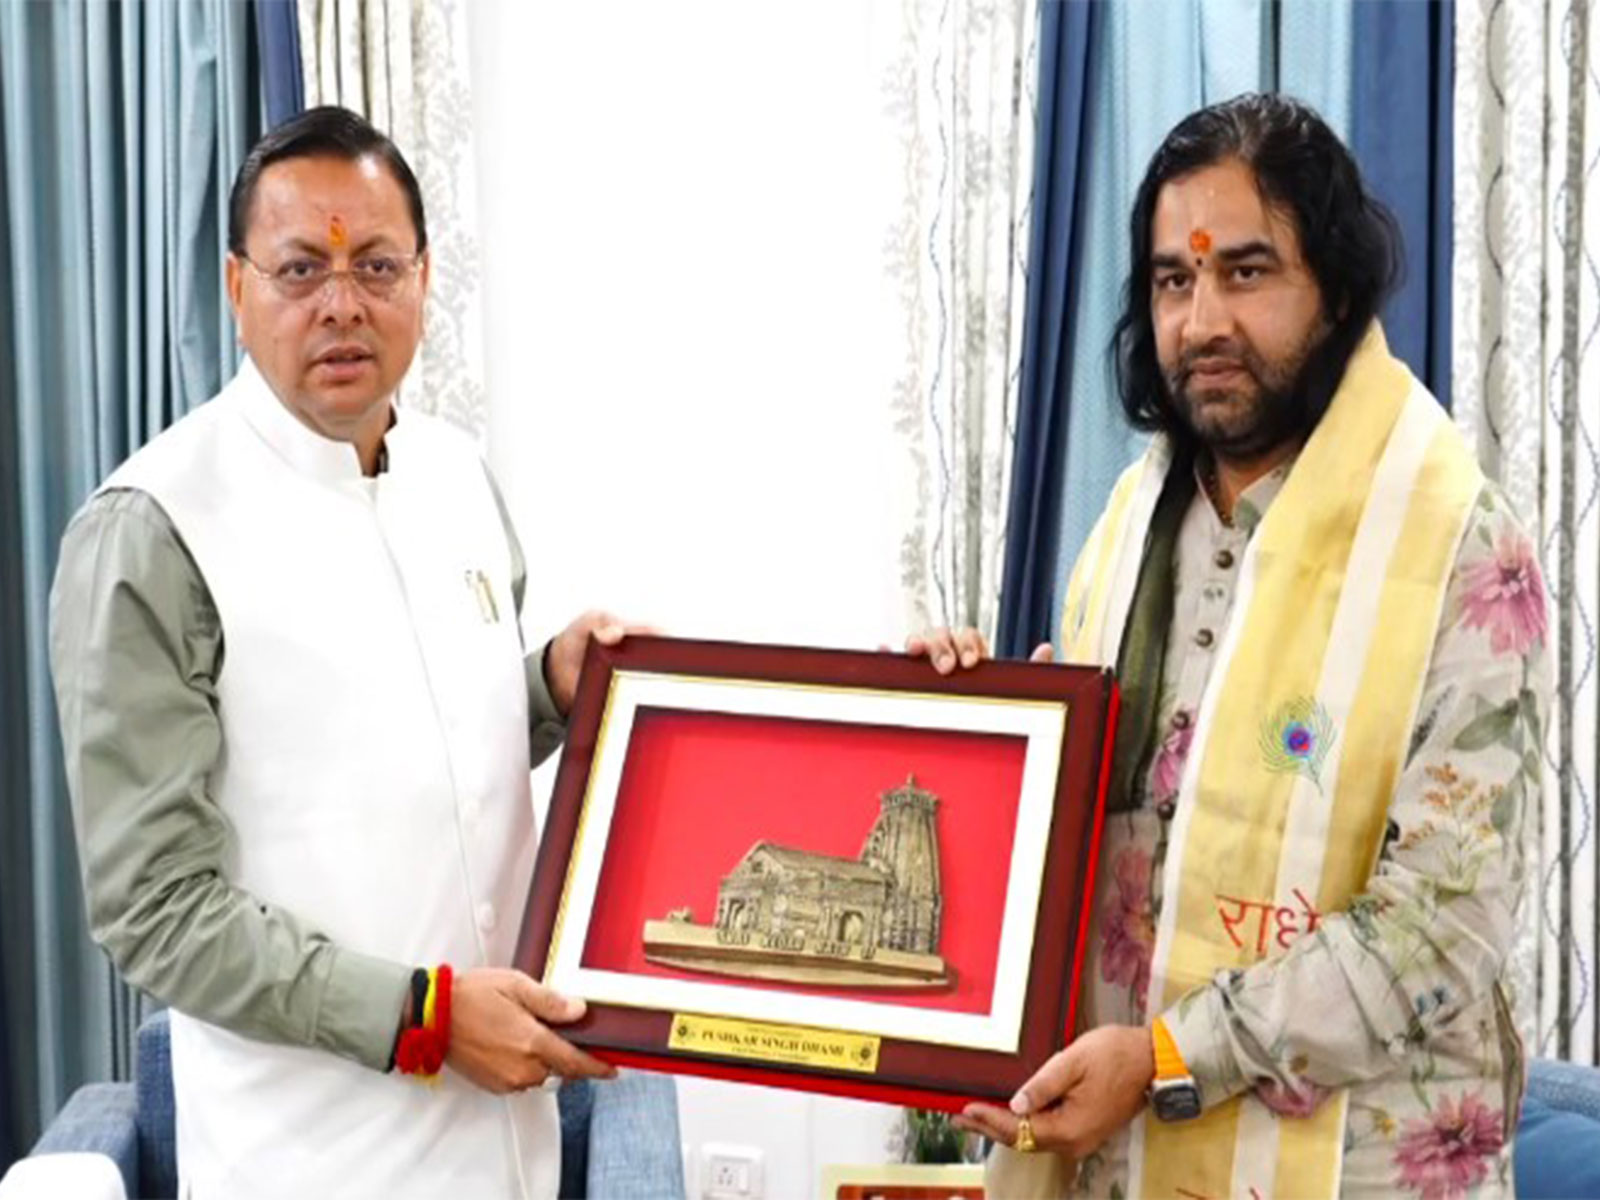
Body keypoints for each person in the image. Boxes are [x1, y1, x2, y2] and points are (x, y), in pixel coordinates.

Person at [910, 94, 1551, 1199]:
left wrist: (1169, 1058)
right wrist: (967, 734)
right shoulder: (1127, 531)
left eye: (1245, 272)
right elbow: (1098, 846)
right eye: (1173, 281)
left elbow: (1443, 925)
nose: (1202, 321)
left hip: (1356, 1168)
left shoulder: (1458, 546)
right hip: (1120, 1158)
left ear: (1334, 289)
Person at [49, 106, 643, 1199]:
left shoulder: (458, 477)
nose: (341, 304)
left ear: (425, 277)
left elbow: (429, 746)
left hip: (512, 1153)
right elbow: (154, 907)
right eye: (298, 270)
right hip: (308, 1164)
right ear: (237, 290)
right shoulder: (153, 528)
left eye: (376, 264)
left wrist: (550, 690)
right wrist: (423, 1018)